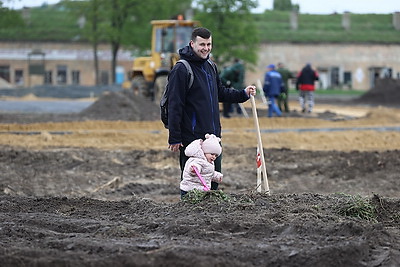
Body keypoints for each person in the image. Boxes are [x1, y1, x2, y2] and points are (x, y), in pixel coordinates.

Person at [167, 27, 256, 191]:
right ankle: (189, 215)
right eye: (202, 44)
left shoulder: (211, 66)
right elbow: (175, 104)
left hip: (213, 138)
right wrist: (175, 136)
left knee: (212, 183)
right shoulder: (182, 69)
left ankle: (210, 217)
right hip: (193, 139)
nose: (206, 48)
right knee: (193, 183)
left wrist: (243, 94)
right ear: (192, 43)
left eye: (209, 44)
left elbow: (220, 92)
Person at [180, 133, 223, 198]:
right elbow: (195, 165)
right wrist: (194, 169)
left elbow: (208, 173)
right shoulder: (198, 159)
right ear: (205, 151)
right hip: (190, 189)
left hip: (200, 190)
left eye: (216, 155)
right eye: (212, 154)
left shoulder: (209, 162)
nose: (214, 157)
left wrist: (217, 176)